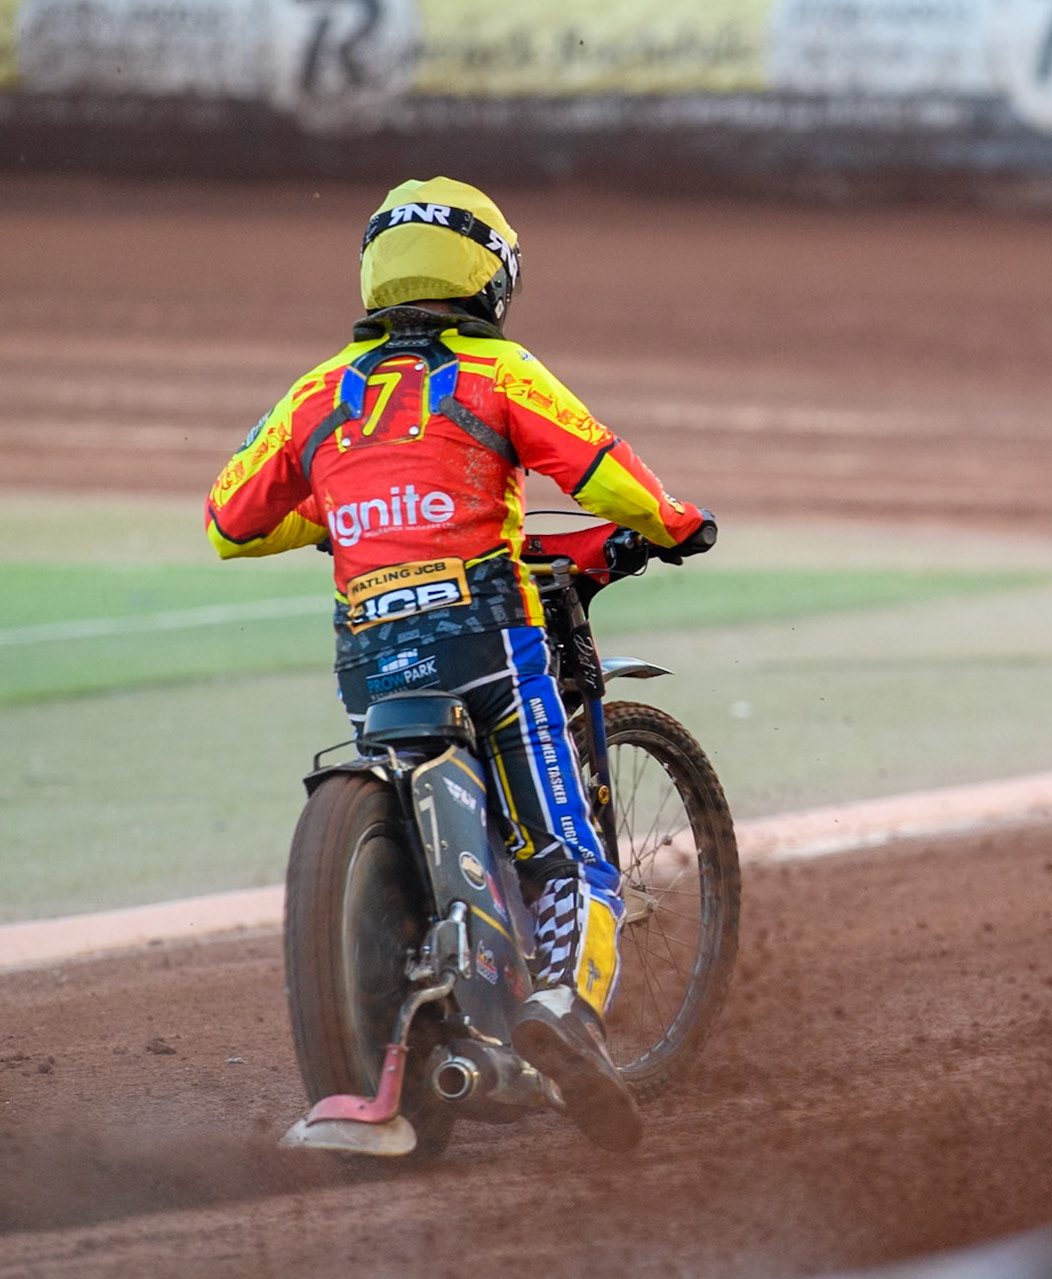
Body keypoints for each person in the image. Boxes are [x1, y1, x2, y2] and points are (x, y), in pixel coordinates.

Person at [205, 177, 715, 1151]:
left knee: (410, 801)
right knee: (570, 855)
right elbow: (599, 469)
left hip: (370, 653)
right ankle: (563, 1013)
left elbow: (232, 521)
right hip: (489, 636)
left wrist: (345, 513)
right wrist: (678, 521)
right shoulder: (498, 371)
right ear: (489, 277)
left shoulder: (316, 394)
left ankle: (406, 1026)